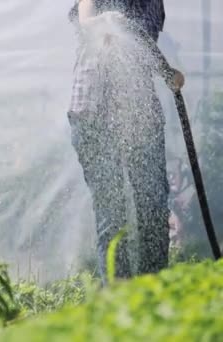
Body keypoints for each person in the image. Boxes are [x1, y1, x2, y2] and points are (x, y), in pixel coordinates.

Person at [67, 0, 185, 281]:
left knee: (153, 211)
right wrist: (102, 22)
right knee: (113, 215)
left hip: (140, 115)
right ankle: (117, 303)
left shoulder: (155, 4)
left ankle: (152, 292)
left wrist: (167, 72)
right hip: (93, 112)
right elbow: (86, 20)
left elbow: (141, 43)